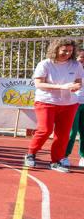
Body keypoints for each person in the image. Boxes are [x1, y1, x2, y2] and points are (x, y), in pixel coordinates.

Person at [23, 38, 84, 173]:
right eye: (64, 51)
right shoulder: (45, 64)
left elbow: (79, 81)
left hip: (69, 103)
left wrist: (76, 86)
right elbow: (39, 84)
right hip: (46, 102)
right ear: (56, 49)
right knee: (45, 129)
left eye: (70, 51)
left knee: (63, 134)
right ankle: (31, 153)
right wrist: (60, 86)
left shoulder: (75, 65)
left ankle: (56, 161)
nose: (67, 54)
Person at [62, 49, 84, 169]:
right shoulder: (70, 69)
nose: (82, 60)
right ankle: (64, 156)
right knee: (72, 132)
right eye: (81, 57)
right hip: (72, 103)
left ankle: (83, 156)